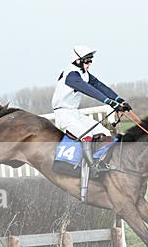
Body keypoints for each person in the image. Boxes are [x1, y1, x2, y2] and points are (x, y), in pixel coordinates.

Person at [51, 45, 132, 174]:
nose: (90, 63)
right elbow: (90, 90)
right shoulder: (71, 75)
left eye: (91, 60)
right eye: (87, 61)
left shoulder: (84, 74)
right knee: (87, 136)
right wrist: (109, 102)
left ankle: (101, 161)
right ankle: (93, 167)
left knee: (105, 132)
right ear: (78, 61)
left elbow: (100, 86)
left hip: (75, 112)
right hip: (63, 114)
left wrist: (119, 100)